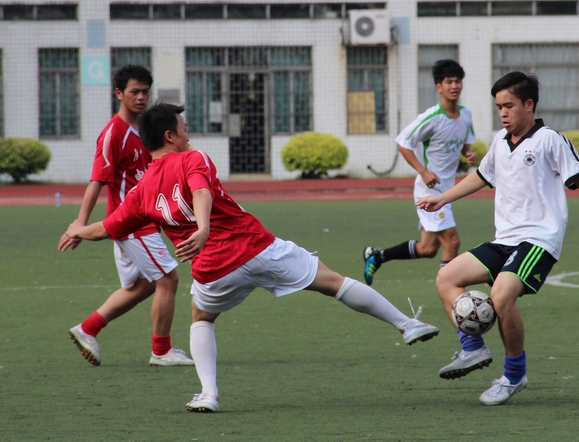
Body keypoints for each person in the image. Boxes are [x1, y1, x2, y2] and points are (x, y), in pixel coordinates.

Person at [63, 103, 440, 413]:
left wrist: (77, 230)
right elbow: (200, 190)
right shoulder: (192, 158)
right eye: (184, 128)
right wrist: (204, 227)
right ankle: (406, 324)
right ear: (169, 136)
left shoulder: (141, 190)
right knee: (333, 282)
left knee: (201, 318)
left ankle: (209, 394)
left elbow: (107, 228)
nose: (188, 134)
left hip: (213, 270)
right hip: (257, 248)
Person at [416, 71, 579, 405]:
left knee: (501, 296)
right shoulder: (500, 140)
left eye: (508, 106)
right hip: (505, 239)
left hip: (539, 240)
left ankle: (514, 375)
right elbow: (481, 176)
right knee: (446, 277)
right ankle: (473, 348)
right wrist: (442, 198)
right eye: (499, 107)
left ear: (529, 104)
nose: (503, 113)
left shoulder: (550, 140)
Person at [58, 66, 193, 368]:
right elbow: (97, 181)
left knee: (146, 284)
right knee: (168, 278)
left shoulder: (148, 128)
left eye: (145, 91)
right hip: (132, 224)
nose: (141, 97)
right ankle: (161, 351)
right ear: (118, 93)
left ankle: (88, 328)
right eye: (135, 91)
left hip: (145, 222)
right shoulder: (113, 134)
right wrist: (80, 224)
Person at [363, 59, 476, 286]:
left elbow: (465, 142)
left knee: (428, 249)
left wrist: (468, 154)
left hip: (448, 190)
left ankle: (377, 256)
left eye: (458, 81)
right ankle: (450, 291)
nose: (454, 86)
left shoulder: (466, 115)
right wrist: (423, 172)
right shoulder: (431, 118)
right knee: (452, 242)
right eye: (449, 82)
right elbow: (403, 144)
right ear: (438, 87)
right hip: (429, 192)